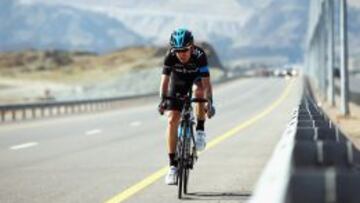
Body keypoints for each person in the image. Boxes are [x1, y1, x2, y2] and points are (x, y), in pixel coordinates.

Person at [158, 28, 216, 185]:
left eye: (184, 50)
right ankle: (172, 167)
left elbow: (206, 83)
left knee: (199, 92)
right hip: (178, 81)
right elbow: (164, 80)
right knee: (172, 119)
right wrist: (162, 100)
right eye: (178, 51)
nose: (181, 54)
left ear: (191, 47)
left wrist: (210, 102)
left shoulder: (200, 55)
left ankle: (200, 129)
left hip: (196, 79)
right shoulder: (170, 56)